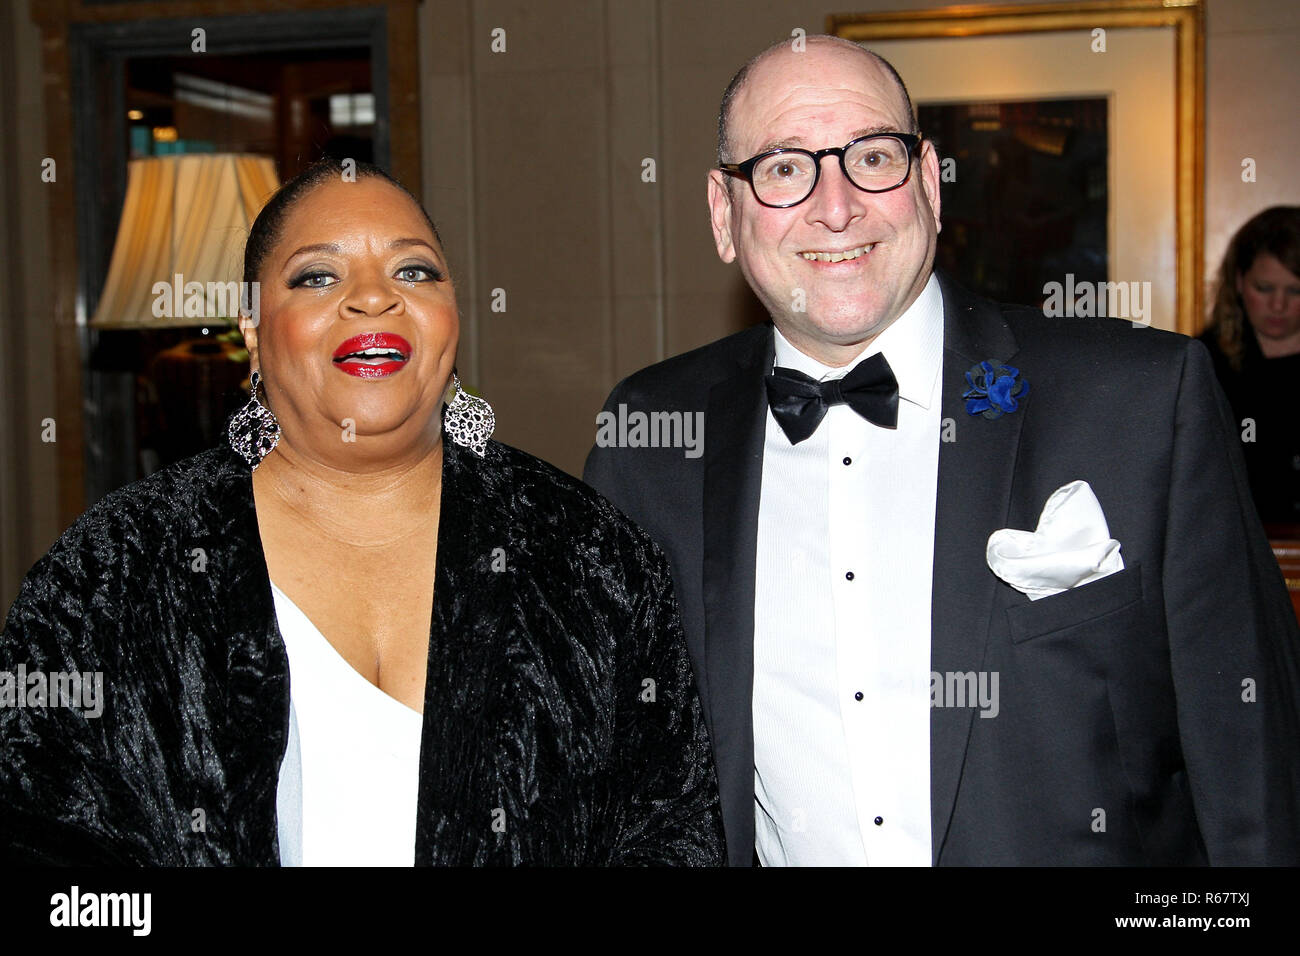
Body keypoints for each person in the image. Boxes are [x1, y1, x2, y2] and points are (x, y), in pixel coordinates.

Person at [584, 35, 1300, 866]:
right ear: (723, 212)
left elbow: (1255, 767)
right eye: (784, 168)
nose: (837, 206)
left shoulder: (1140, 400)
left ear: (927, 181)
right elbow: (619, 782)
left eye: (872, 157)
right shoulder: (652, 439)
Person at [1, 157, 724, 866]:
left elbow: (675, 831)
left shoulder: (593, 558)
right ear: (250, 327)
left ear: (453, 316)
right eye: (318, 276)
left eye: (415, 271)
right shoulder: (110, 576)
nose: (374, 298)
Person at [1199, 206, 1300, 526]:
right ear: (1240, 282)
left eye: (1295, 291)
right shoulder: (1205, 362)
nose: (1278, 306)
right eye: (1265, 288)